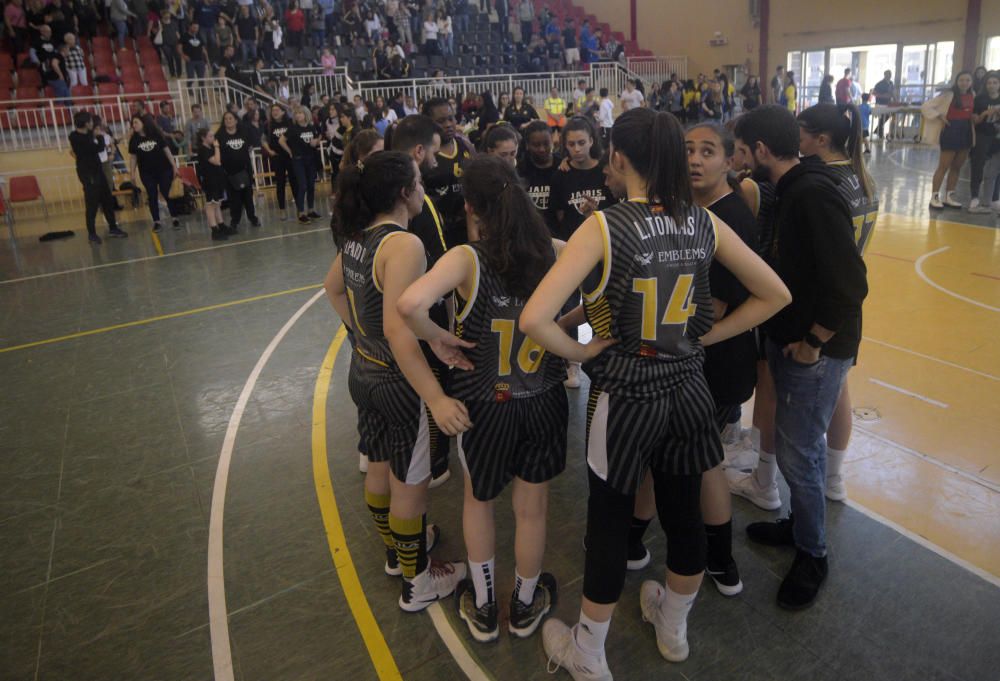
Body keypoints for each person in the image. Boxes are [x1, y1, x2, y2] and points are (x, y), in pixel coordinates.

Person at [524, 107, 790, 677]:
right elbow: (775, 294)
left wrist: (582, 352)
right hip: (689, 388)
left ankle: (589, 651)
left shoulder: (604, 226)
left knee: (608, 522)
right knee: (684, 513)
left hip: (626, 397)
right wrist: (708, 336)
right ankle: (673, 626)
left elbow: (534, 319)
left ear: (618, 157)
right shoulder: (703, 220)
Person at [398, 155, 566, 643]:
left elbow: (409, 305)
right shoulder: (553, 251)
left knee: (479, 500)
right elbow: (597, 283)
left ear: (470, 204)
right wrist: (566, 324)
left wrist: (436, 338)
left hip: (485, 403)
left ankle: (486, 604)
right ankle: (527, 601)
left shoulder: (466, 258)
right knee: (532, 508)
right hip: (543, 398)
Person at [732, 104, 867, 609]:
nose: (739, 161)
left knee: (799, 453)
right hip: (792, 338)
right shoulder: (794, 188)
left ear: (762, 151)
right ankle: (799, 524)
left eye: (743, 152)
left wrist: (814, 341)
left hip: (817, 349)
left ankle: (813, 553)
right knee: (795, 450)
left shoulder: (811, 195)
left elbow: (851, 284)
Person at [324, 150, 468, 612]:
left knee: (381, 464)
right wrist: (435, 396)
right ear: (405, 193)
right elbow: (396, 326)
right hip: (397, 384)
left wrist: (359, 336)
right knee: (412, 484)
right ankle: (418, 582)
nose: (425, 189)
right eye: (420, 182)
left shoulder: (357, 235)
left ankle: (397, 551)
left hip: (362, 373)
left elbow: (333, 288)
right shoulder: (404, 245)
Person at [794, 102, 879, 502]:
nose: (796, 141)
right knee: (841, 386)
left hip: (827, 304)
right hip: (848, 305)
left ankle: (811, 504)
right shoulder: (863, 179)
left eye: (801, 134)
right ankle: (835, 478)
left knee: (808, 417)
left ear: (820, 140)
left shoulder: (823, 185)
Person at [547, 115, 614, 389]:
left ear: (592, 142)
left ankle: (603, 348)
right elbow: (559, 213)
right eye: (571, 144)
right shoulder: (562, 174)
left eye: (582, 143)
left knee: (598, 301)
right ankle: (571, 362)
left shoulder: (605, 172)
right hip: (571, 247)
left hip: (603, 249)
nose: (576, 149)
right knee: (567, 304)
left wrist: (594, 214)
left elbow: (614, 213)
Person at [69, 111, 128, 244]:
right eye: (90, 122)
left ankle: (113, 227)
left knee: (107, 199)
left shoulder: (86, 135)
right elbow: (99, 148)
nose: (92, 124)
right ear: (85, 124)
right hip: (88, 174)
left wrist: (98, 133)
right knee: (92, 204)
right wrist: (99, 137)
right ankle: (92, 233)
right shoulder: (77, 138)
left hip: (97, 171)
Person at [923, 71, 975, 210]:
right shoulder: (948, 95)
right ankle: (934, 196)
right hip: (951, 130)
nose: (964, 83)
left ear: (971, 82)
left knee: (957, 166)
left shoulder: (973, 95)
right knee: (943, 166)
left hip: (966, 131)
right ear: (957, 81)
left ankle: (949, 196)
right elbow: (926, 106)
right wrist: (939, 116)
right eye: (962, 80)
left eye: (967, 80)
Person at [128, 114, 180, 232]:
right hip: (147, 173)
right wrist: (132, 173)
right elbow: (133, 158)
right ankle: (157, 221)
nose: (133, 125)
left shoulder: (156, 135)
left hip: (163, 169)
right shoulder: (134, 140)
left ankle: (175, 218)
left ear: (143, 123)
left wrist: (174, 166)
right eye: (133, 123)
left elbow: (166, 150)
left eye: (136, 122)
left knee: (167, 193)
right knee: (152, 196)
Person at [215, 109, 260, 232]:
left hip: (245, 170)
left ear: (235, 120)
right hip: (229, 172)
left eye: (230, 118)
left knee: (248, 196)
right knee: (234, 199)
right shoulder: (219, 135)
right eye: (226, 119)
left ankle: (253, 218)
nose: (228, 121)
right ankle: (235, 220)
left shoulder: (244, 132)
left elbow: (251, 145)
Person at [280, 106, 322, 224]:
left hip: (311, 159)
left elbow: (319, 135)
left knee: (311, 185)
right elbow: (281, 141)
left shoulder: (311, 127)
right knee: (302, 185)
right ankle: (301, 212)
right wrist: (290, 152)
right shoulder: (293, 128)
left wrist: (316, 141)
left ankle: (310, 210)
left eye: (300, 113)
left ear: (306, 115)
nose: (298, 115)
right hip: (298, 160)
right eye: (296, 113)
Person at [518, 120, 561, 236]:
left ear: (552, 141)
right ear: (527, 145)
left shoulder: (562, 166)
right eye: (536, 145)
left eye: (546, 143)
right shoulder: (521, 170)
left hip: (559, 233)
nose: (542, 149)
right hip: (530, 234)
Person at [969, 71, 1000, 213]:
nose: (992, 86)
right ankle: (974, 196)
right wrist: (984, 114)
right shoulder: (980, 99)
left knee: (995, 168)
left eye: (995, 83)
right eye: (989, 83)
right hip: (983, 135)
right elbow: (974, 121)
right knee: (978, 165)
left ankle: (994, 198)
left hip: (997, 136)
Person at [194, 128, 229, 241]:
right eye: (210, 136)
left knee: (217, 203)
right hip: (209, 180)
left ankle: (221, 225)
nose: (213, 138)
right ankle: (214, 230)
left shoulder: (209, 148)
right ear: (203, 138)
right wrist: (217, 147)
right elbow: (217, 161)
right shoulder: (203, 150)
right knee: (210, 204)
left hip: (216, 178)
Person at [873, 70, 894, 138]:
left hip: (888, 103)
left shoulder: (891, 83)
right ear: (885, 75)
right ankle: (879, 132)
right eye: (888, 74)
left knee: (888, 116)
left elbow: (892, 93)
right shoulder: (879, 84)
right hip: (881, 103)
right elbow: (874, 93)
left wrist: (894, 99)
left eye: (890, 74)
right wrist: (882, 95)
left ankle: (878, 130)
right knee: (881, 118)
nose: (889, 76)